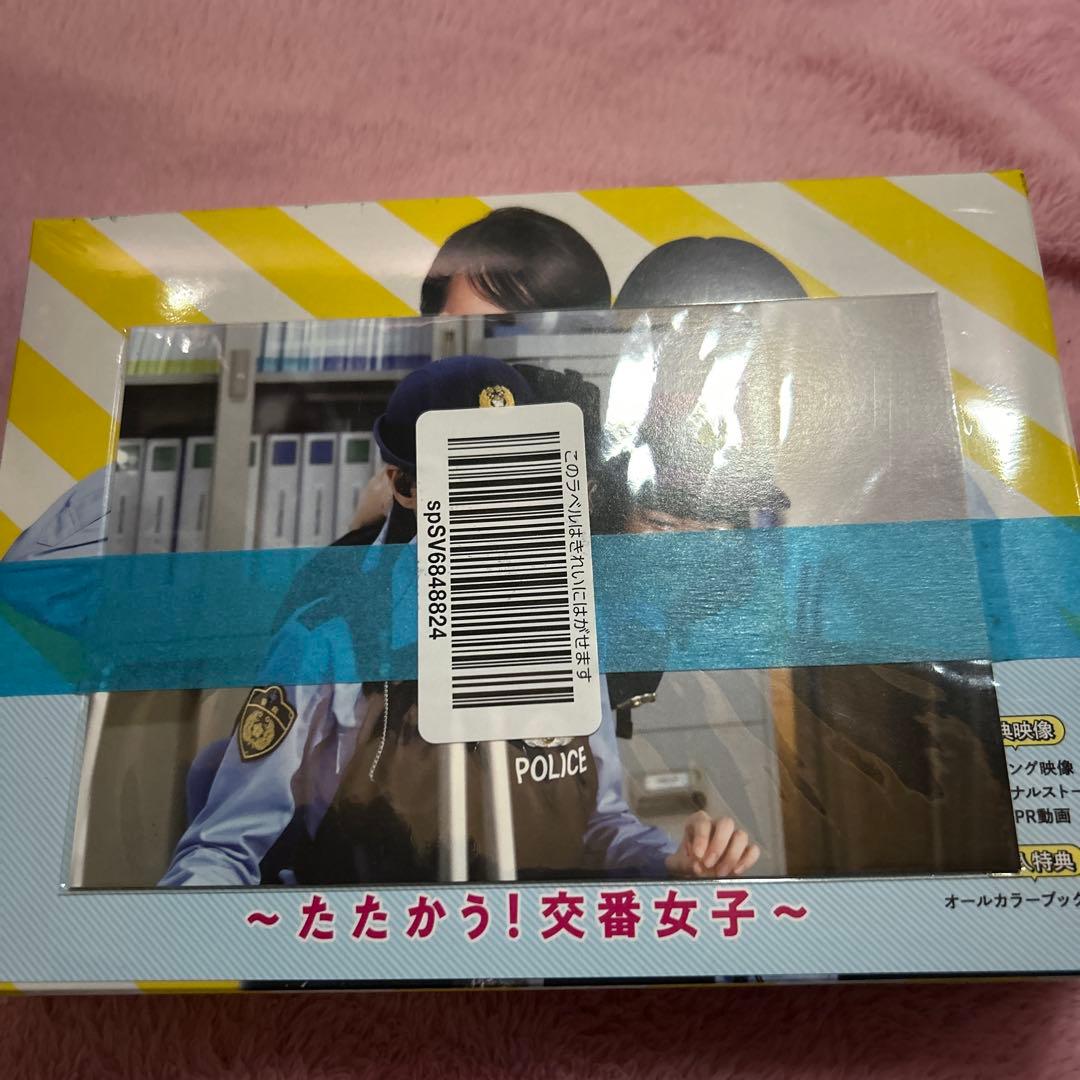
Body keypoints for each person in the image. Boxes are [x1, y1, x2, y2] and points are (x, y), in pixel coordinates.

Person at [161, 355, 760, 887]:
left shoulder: (570, 624)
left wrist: (673, 861)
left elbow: (604, 827)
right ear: (403, 486)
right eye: (467, 470)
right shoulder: (331, 639)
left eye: (519, 469)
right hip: (381, 955)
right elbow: (224, 849)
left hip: (542, 955)